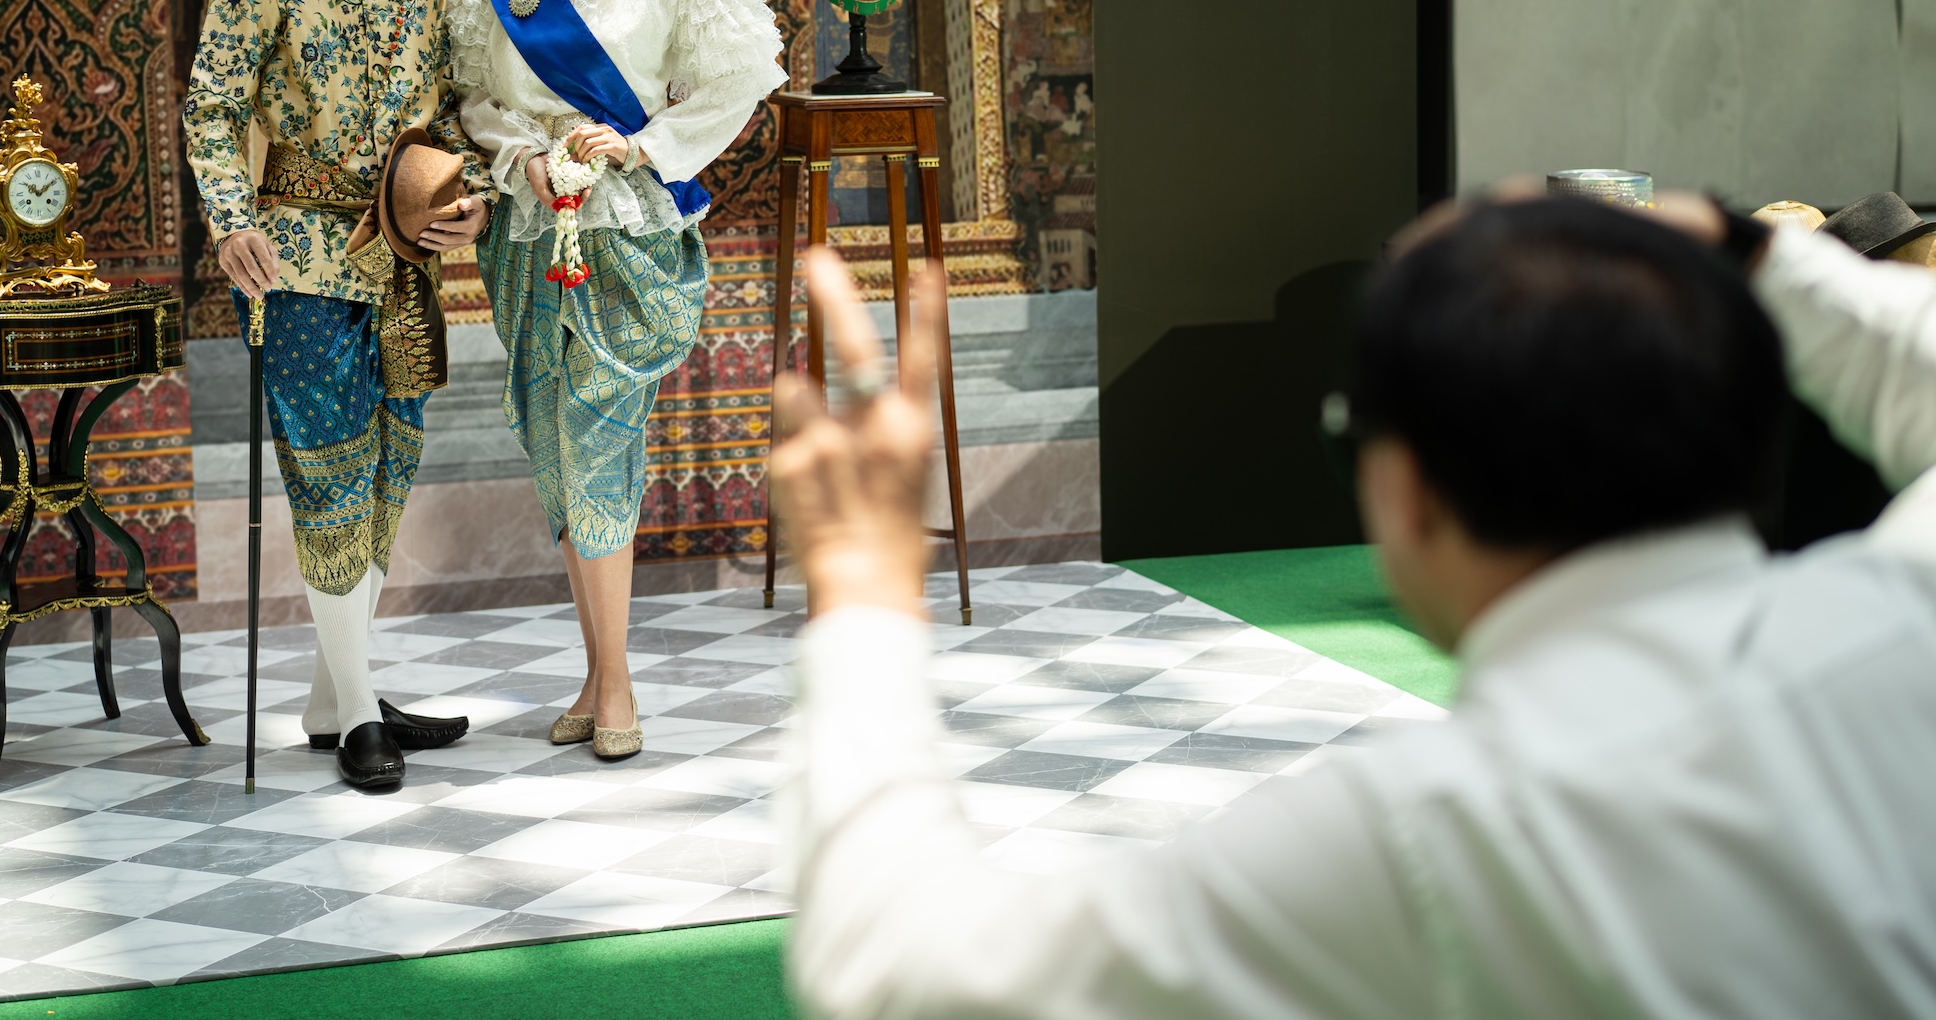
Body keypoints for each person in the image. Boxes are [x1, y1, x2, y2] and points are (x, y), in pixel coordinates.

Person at [771, 197, 1936, 1018]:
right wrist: (1748, 251)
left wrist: (864, 589)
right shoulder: (1900, 618)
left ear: (1402, 488)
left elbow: (906, 969)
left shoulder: (1421, 840)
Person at [446, 0, 786, 759]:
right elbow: (473, 97)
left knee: (601, 440)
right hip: (530, 229)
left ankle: (621, 684)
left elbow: (737, 81)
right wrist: (521, 150)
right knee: (556, 444)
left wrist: (642, 145)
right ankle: (597, 678)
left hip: (623, 227)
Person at [183, 0, 490, 790]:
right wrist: (231, 221)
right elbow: (212, 107)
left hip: (402, 259)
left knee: (391, 466)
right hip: (297, 258)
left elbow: (453, 121)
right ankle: (360, 715)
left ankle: (334, 692)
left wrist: (468, 199)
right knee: (327, 472)